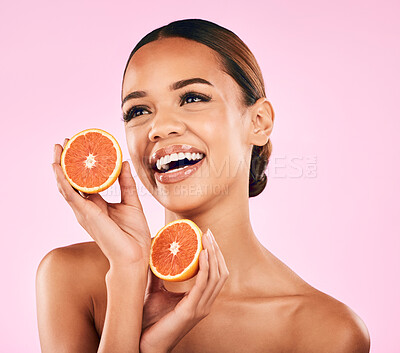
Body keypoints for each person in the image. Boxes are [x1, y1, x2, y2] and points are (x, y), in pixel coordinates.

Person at [36, 19, 370, 352]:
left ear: (259, 122)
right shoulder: (72, 278)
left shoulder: (325, 330)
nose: (160, 127)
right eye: (138, 110)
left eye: (193, 97)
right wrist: (127, 277)